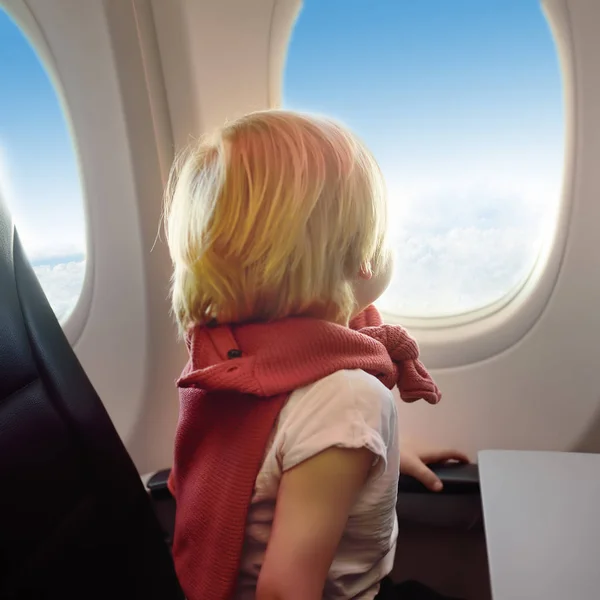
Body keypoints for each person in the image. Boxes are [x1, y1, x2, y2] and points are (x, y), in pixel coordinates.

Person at [163, 109, 467, 600]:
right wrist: (353, 435)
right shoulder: (346, 403)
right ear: (361, 258)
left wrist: (372, 455)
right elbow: (286, 592)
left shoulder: (235, 358)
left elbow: (278, 455)